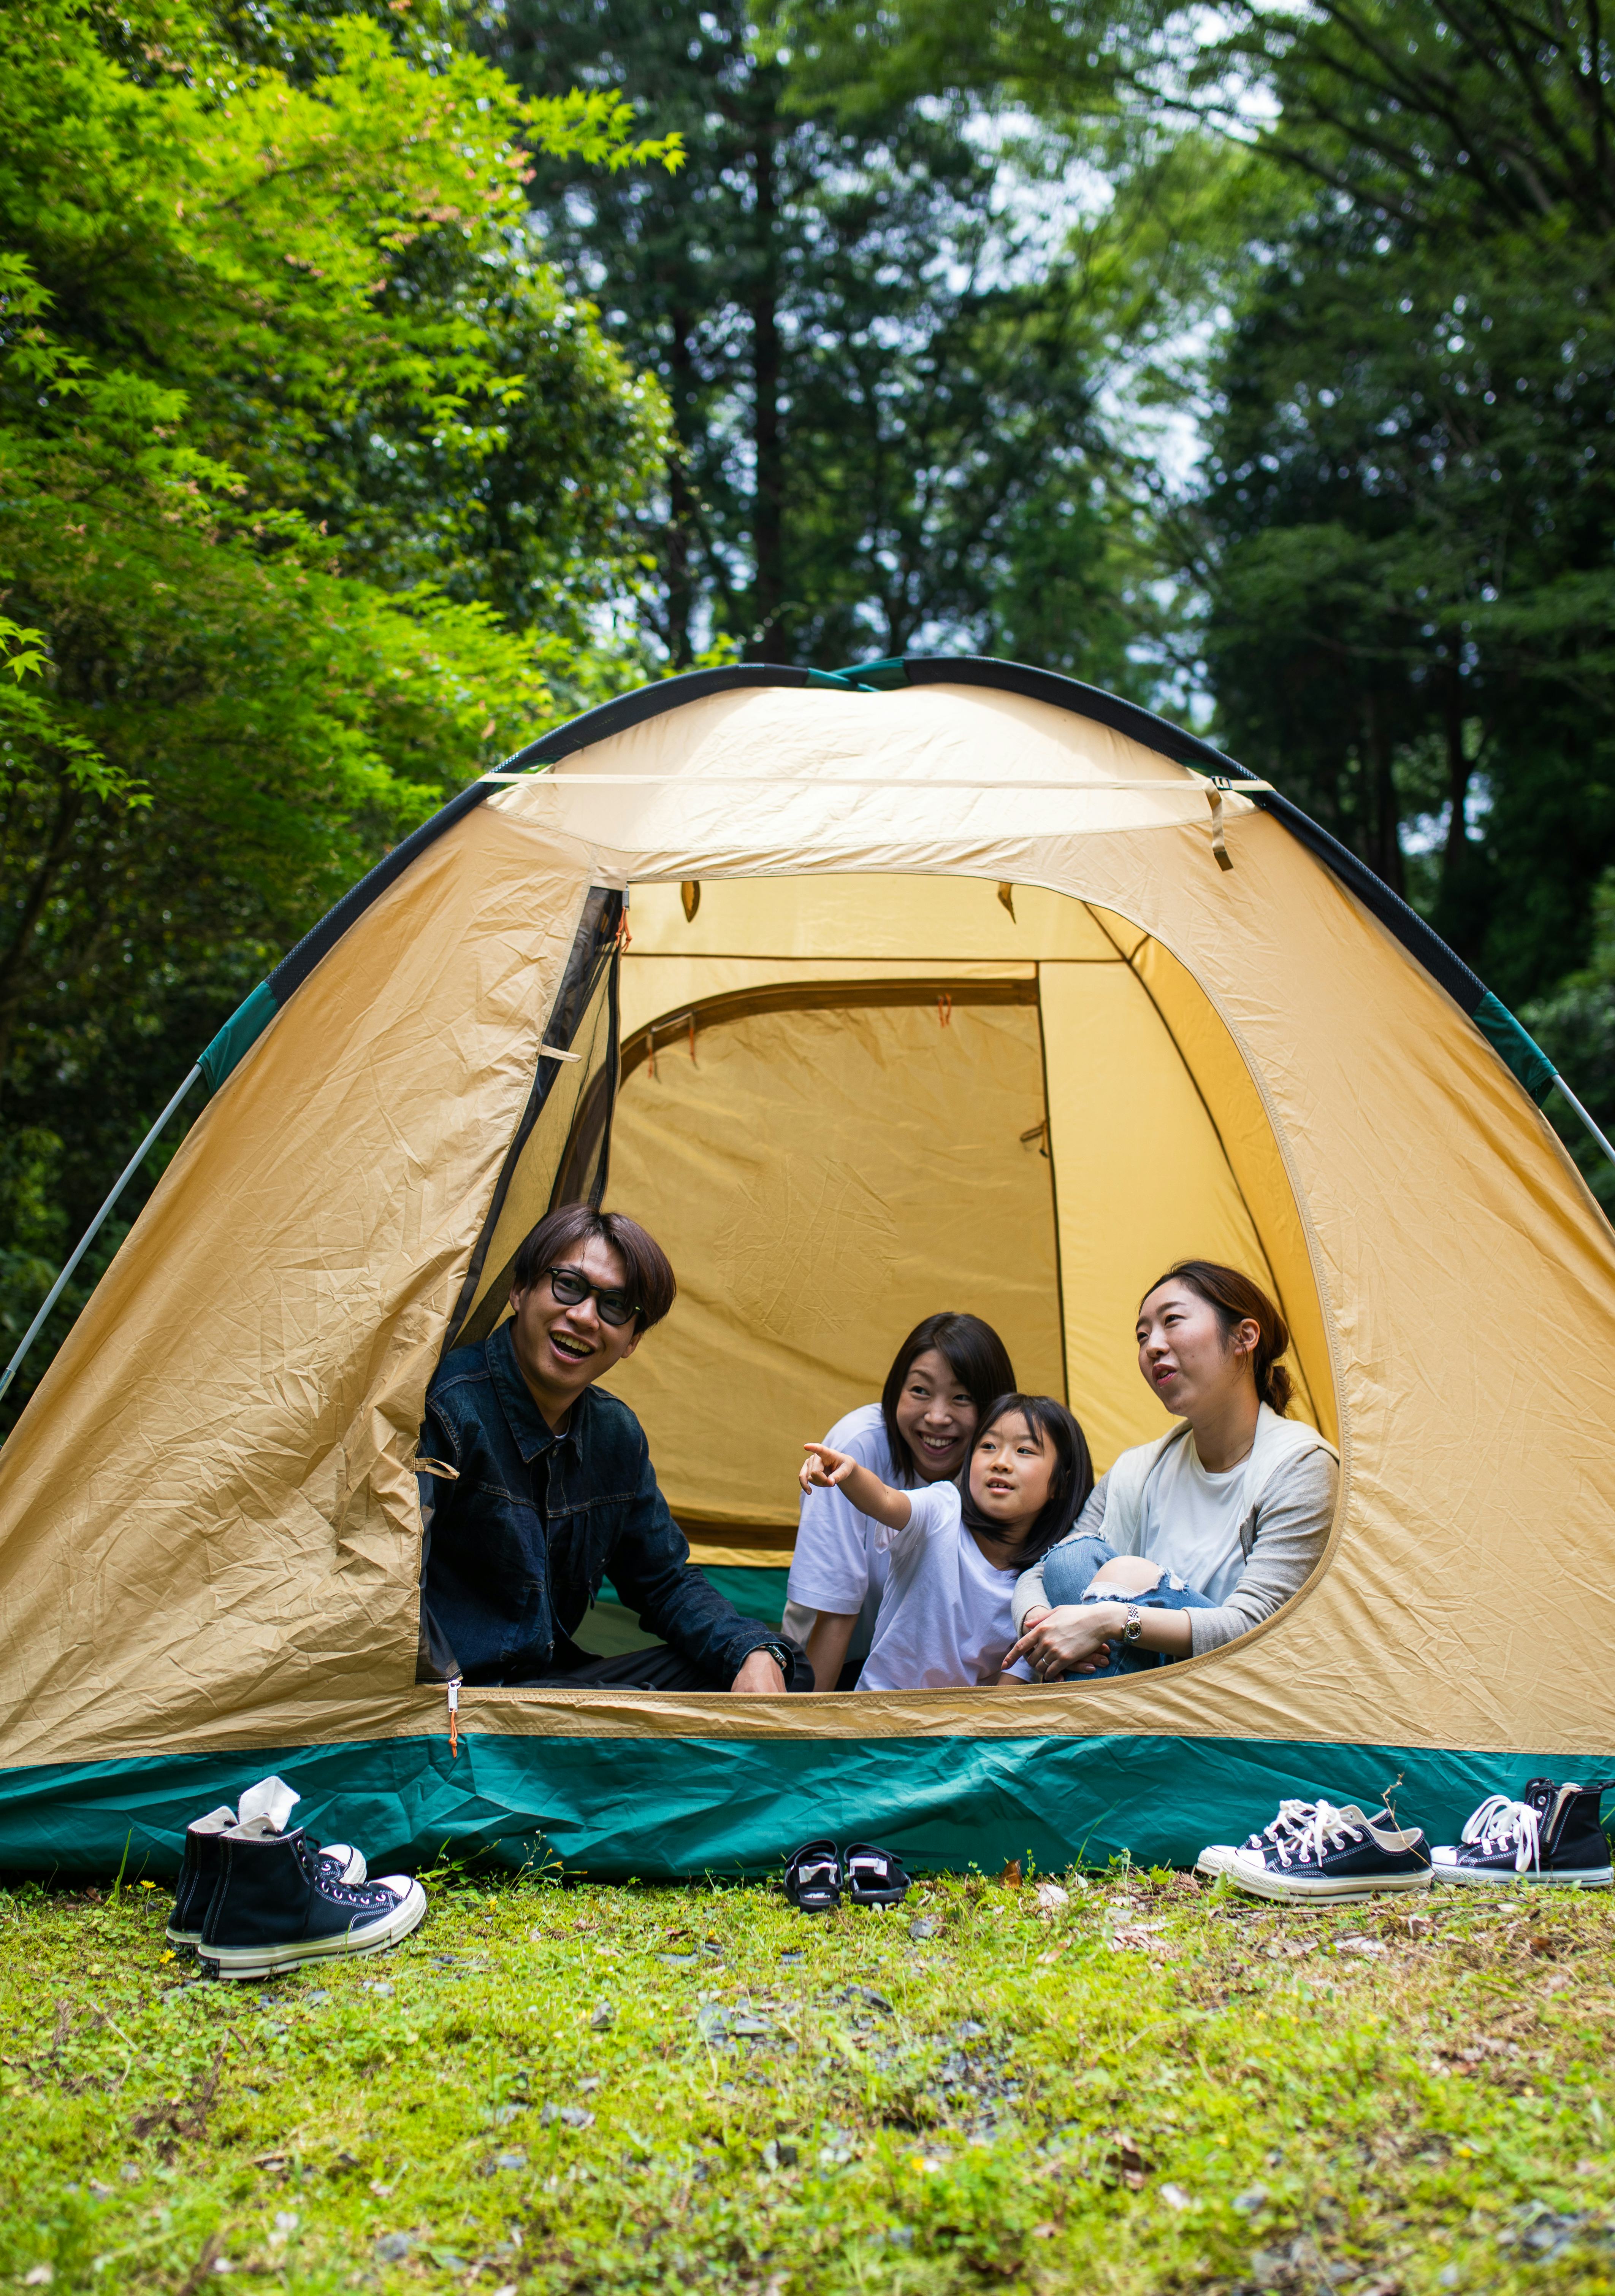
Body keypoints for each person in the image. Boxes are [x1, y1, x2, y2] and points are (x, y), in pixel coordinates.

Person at [420, 1205, 804, 1693]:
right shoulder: (448, 1410)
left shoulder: (614, 1435)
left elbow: (664, 1582)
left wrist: (751, 1651)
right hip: (449, 1703)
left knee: (778, 1666)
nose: (583, 1317)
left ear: (632, 1340)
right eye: (568, 1286)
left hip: (547, 1686)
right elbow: (391, 1589)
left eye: (615, 1307)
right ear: (519, 1290)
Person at [1006, 1260, 1339, 1683]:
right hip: (1142, 1686)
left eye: (1172, 1322)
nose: (1152, 1347)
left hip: (1239, 1692)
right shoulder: (1137, 1471)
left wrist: (1113, 1620)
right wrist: (1043, 1624)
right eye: (1142, 1336)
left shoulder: (1299, 1467)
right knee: (1070, 1560)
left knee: (1125, 1576)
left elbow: (1257, 1630)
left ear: (1244, 1337)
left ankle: (1086, 1728)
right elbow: (1041, 1572)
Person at [783, 1313, 1017, 1690]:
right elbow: (836, 1608)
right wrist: (804, 1728)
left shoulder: (1001, 1470)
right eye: (920, 1391)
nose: (937, 1417)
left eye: (962, 1398)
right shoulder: (853, 1448)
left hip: (940, 1682)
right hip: (839, 1666)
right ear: (895, 1390)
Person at [800, 1394, 1094, 1692]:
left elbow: (1008, 1697)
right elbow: (886, 1500)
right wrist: (849, 1471)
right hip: (879, 1715)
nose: (1000, 1462)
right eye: (988, 1446)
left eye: (1024, 1450)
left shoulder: (1041, 1583)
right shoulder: (942, 1509)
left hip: (960, 1732)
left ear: (1060, 1483)